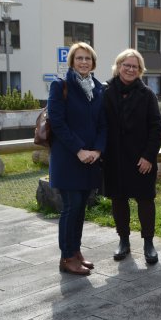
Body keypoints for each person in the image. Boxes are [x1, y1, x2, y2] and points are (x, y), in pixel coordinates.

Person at [47, 42, 107, 276]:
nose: (84, 62)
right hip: (69, 159)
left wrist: (98, 151)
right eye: (79, 58)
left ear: (93, 63)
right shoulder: (60, 86)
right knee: (71, 208)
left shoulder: (98, 88)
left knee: (81, 209)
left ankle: (76, 251)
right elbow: (57, 122)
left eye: (88, 59)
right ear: (72, 61)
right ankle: (67, 257)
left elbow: (103, 124)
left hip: (90, 159)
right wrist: (79, 150)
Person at [102, 49, 161, 265]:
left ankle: (148, 243)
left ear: (140, 70)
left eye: (134, 66)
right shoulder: (105, 92)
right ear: (118, 66)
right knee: (118, 200)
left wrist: (148, 157)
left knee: (145, 200)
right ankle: (124, 241)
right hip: (114, 158)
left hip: (141, 160)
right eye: (126, 65)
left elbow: (156, 128)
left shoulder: (147, 94)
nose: (130, 69)